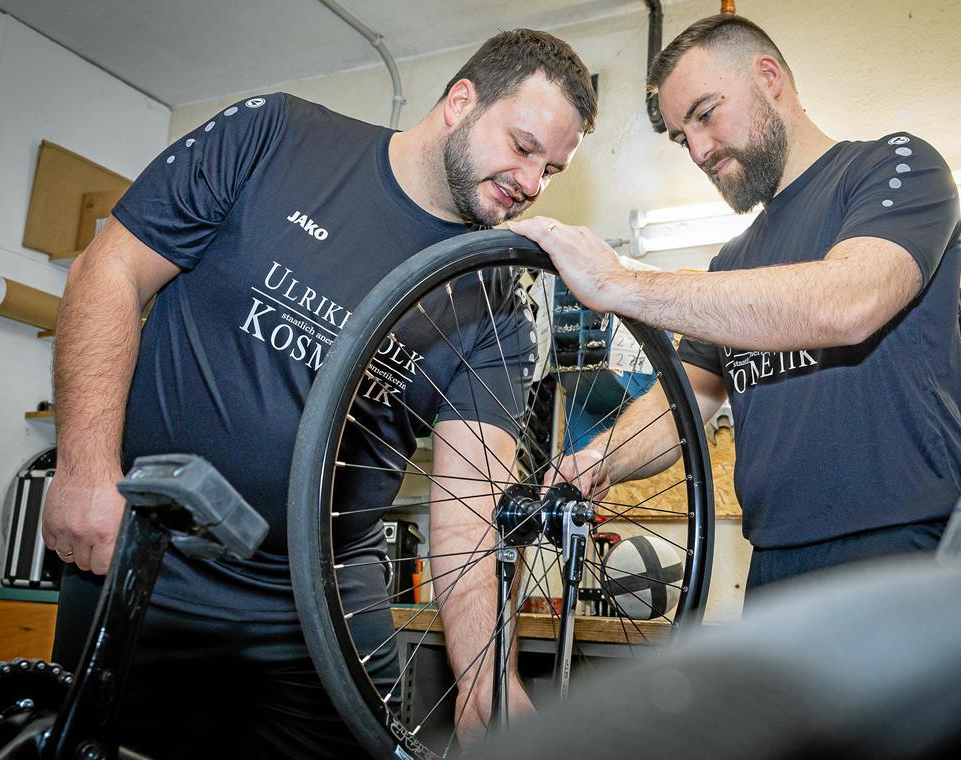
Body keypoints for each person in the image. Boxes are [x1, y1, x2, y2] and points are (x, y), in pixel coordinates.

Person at [42, 29, 596, 757]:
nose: (531, 182)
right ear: (461, 102)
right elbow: (107, 272)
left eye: (550, 169)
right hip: (151, 555)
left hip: (324, 600)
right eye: (523, 147)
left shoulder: (494, 301)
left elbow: (468, 508)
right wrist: (84, 469)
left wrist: (485, 684)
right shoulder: (275, 136)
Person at [512, 14, 961, 593]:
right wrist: (597, 459)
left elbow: (849, 303)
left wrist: (619, 284)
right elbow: (681, 405)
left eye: (706, 114)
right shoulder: (732, 264)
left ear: (768, 77)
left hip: (905, 547)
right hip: (776, 560)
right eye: (682, 137)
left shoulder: (894, 167)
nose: (699, 150)